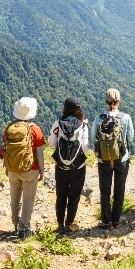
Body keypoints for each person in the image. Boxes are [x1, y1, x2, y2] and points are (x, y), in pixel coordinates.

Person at [90, 88, 135, 230]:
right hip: (122, 158)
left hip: (103, 159)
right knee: (119, 189)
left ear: (105, 102)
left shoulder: (99, 118)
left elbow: (92, 139)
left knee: (105, 191)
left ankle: (106, 222)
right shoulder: (125, 117)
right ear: (119, 101)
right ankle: (116, 221)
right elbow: (130, 138)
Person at [1, 97, 45, 239]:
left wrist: (8, 167)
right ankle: (24, 229)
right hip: (30, 170)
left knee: (14, 197)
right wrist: (42, 170)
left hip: (13, 169)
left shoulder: (10, 128)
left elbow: (5, 149)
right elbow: (40, 152)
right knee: (28, 199)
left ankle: (15, 223)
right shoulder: (35, 130)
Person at [48, 97, 90, 233]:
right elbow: (85, 148)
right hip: (78, 167)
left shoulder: (58, 123)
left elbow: (51, 144)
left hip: (61, 167)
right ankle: (69, 223)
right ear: (79, 110)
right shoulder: (83, 125)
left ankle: (60, 224)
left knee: (61, 196)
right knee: (74, 196)